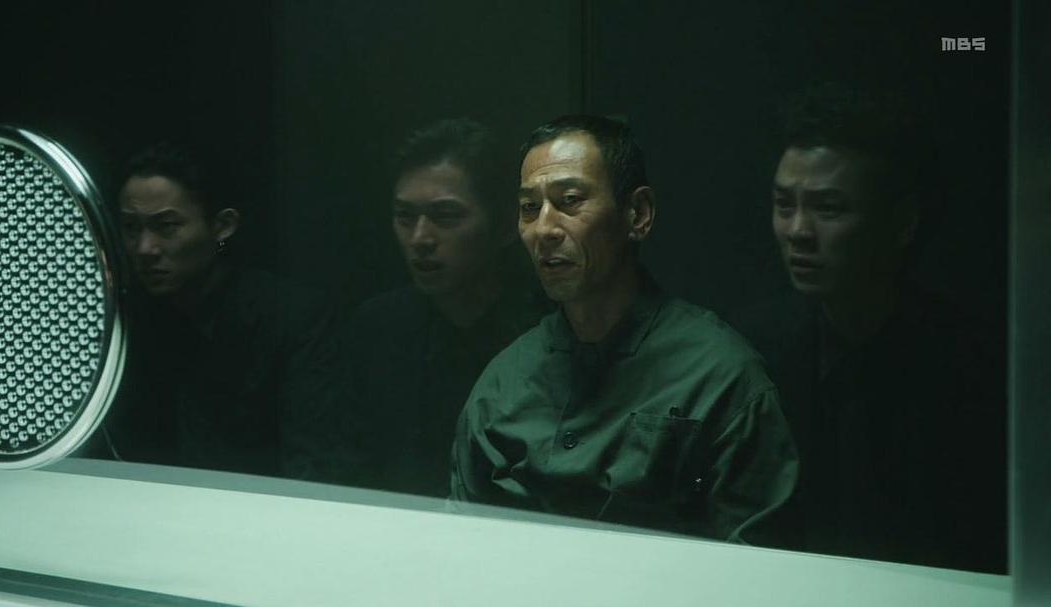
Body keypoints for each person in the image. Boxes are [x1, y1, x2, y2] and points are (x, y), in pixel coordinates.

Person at [451, 115, 798, 542]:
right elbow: (462, 547)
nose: (543, 229)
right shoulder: (501, 386)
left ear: (638, 214)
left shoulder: (720, 378)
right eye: (529, 208)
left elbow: (762, 565)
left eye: (570, 200)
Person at [727, 83, 1007, 572]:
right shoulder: (750, 352)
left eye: (828, 208)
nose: (798, 231)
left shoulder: (980, 369)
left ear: (902, 223)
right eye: (784, 204)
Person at [328, 119, 550, 496]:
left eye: (446, 217)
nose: (420, 238)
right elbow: (348, 468)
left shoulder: (550, 332)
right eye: (405, 217)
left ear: (504, 226)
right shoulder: (377, 327)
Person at [98, 142, 335, 478]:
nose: (145, 248)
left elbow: (314, 465)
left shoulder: (289, 317)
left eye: (167, 226)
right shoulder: (120, 320)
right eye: (131, 228)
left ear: (222, 226)